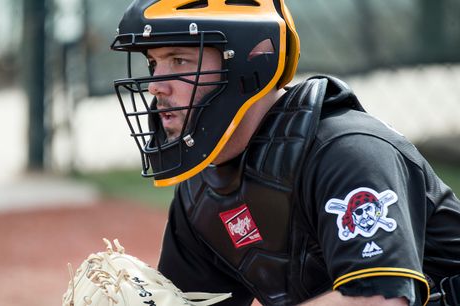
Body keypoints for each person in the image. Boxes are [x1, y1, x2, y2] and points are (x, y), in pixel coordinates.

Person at [110, 0, 460, 305]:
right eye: (154, 63)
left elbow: (380, 300)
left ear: (247, 63)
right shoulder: (201, 189)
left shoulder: (347, 151)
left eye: (180, 60)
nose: (156, 85)